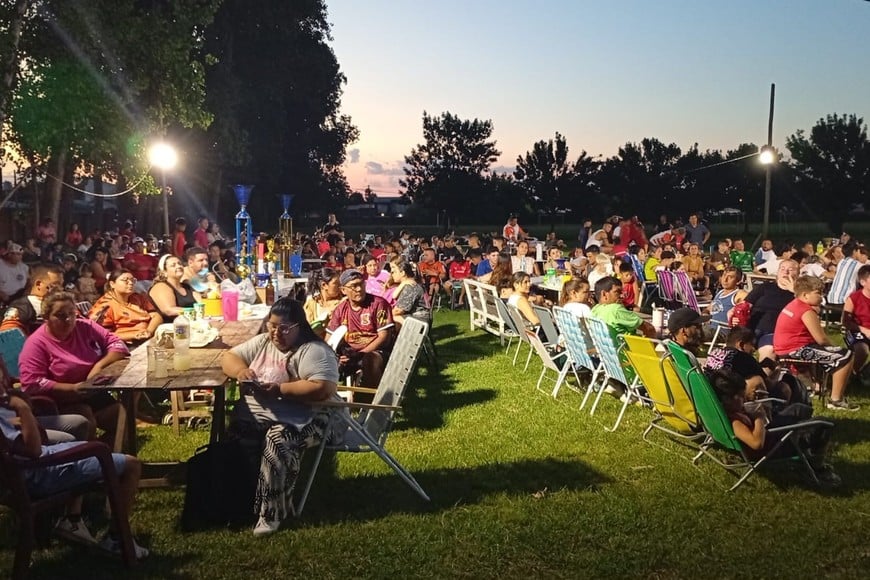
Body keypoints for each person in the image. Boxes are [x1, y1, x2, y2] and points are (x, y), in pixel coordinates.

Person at [221, 298, 337, 535]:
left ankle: (271, 513)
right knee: (236, 435)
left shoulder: (313, 351)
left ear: (298, 327)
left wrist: (280, 390)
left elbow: (321, 388)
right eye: (272, 326)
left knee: (279, 439)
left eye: (284, 328)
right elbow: (229, 357)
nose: (276, 333)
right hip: (265, 414)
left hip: (313, 418)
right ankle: (237, 504)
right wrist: (241, 371)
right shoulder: (263, 342)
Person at [0, 389, 149, 556]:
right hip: (38, 473)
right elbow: (34, 450)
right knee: (131, 465)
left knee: (88, 444)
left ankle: (72, 520)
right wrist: (23, 409)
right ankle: (116, 540)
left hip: (27, 469)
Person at [18, 291, 126, 444]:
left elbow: (117, 344)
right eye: (60, 315)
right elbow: (32, 382)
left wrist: (98, 367)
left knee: (122, 415)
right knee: (85, 417)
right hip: (60, 400)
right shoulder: (36, 344)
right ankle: (92, 458)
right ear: (46, 318)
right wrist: (72, 388)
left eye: (72, 313)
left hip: (92, 391)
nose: (68, 319)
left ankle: (108, 453)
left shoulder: (85, 326)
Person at [706, 368, 840, 486]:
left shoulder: (726, 413)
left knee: (799, 409)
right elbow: (757, 443)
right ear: (728, 400)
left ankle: (806, 446)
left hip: (772, 436)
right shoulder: (735, 422)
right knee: (824, 424)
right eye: (741, 397)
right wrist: (758, 416)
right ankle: (816, 467)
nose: (744, 400)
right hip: (775, 447)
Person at [774, 275, 857, 411]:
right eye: (818, 293)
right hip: (795, 349)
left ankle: (820, 386)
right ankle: (836, 400)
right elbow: (822, 339)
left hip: (784, 348)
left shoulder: (794, 304)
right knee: (845, 356)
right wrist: (835, 348)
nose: (821, 296)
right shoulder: (806, 311)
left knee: (834, 354)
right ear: (805, 295)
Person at [326, 270, 394, 386]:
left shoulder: (378, 304)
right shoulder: (340, 310)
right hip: (349, 353)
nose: (359, 289)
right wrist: (336, 356)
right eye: (353, 286)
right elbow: (329, 339)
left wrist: (361, 353)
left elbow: (384, 337)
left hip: (376, 351)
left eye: (361, 284)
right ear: (343, 290)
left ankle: (373, 400)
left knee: (369, 360)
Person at [744, 259, 798, 362]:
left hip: (774, 333)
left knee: (769, 351)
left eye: (790, 270)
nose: (786, 272)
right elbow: (745, 305)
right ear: (777, 272)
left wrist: (794, 291)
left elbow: (810, 310)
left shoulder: (800, 295)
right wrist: (733, 311)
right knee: (736, 352)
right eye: (782, 269)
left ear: (798, 274)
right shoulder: (764, 287)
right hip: (750, 330)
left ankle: (763, 377)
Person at [591, 277, 656, 342]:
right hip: (628, 350)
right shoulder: (616, 310)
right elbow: (649, 328)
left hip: (607, 350)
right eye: (617, 292)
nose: (622, 296)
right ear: (604, 294)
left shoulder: (594, 310)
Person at [5, 264, 63, 334]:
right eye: (56, 284)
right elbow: (8, 336)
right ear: (39, 284)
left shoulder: (63, 304)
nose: (60, 289)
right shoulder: (21, 307)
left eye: (61, 284)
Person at [148, 255, 198, 323]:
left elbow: (201, 303)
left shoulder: (187, 286)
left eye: (179, 264)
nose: (179, 266)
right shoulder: (161, 286)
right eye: (173, 265)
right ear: (164, 272)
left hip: (193, 322)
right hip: (172, 326)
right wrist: (194, 311)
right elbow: (169, 310)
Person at [843, 264, 870, 375]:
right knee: (862, 350)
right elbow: (846, 322)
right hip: (856, 331)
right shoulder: (854, 298)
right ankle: (850, 374)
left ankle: (864, 373)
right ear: (863, 282)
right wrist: (865, 331)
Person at [389, 258, 430, 327]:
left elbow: (398, 311)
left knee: (391, 319)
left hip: (420, 320)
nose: (392, 274)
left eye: (394, 272)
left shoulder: (410, 287)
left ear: (403, 273)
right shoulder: (408, 283)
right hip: (415, 317)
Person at [302, 267, 344, 333]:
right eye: (336, 283)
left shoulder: (343, 302)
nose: (340, 286)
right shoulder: (312, 303)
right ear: (324, 285)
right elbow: (305, 327)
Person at [707, 266, 747, 333]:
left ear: (738, 281)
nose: (725, 279)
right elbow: (708, 309)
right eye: (724, 275)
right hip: (711, 329)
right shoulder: (720, 293)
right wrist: (705, 313)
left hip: (722, 332)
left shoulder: (739, 294)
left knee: (693, 332)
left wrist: (736, 316)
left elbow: (750, 303)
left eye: (730, 277)